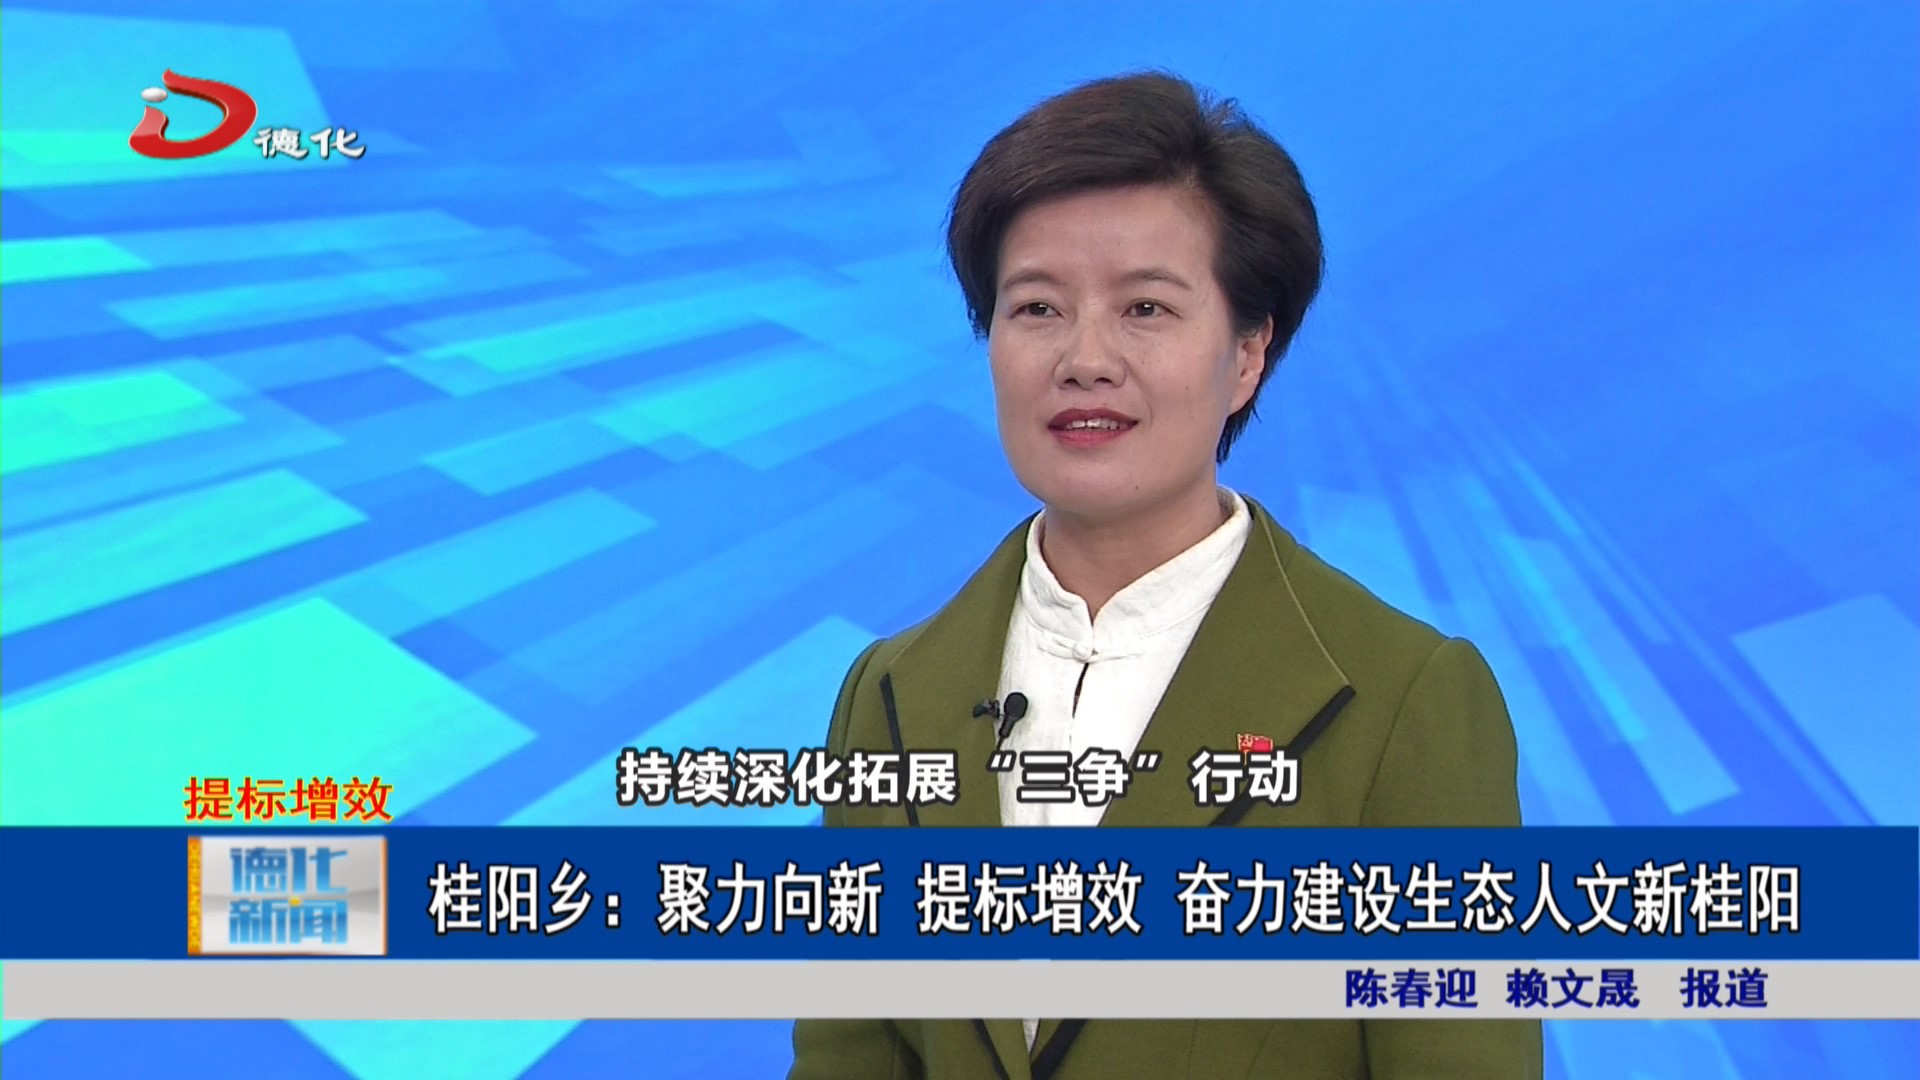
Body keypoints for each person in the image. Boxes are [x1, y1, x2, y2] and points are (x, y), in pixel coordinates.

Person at [790, 71, 1537, 1080]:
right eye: (1037, 307)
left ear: (1248, 354)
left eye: (1145, 307)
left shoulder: (1404, 699)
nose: (1085, 358)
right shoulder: (887, 697)